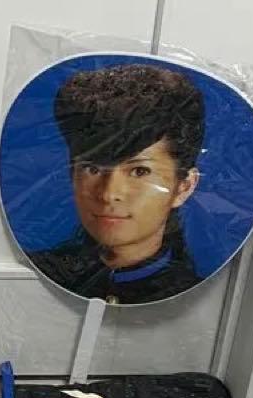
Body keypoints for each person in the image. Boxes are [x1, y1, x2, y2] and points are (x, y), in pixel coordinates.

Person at [27, 64, 204, 304]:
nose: (109, 193)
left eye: (139, 171)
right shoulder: (29, 278)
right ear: (72, 174)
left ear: (184, 186)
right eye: (93, 168)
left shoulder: (200, 303)